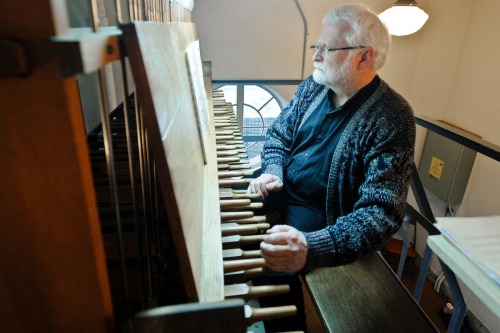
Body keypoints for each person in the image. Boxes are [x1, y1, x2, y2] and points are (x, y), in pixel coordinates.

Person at [248, 4, 416, 274]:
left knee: (268, 269)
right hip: (282, 189)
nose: (316, 57)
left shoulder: (393, 116)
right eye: (317, 46)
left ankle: (288, 314)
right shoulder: (314, 85)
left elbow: (381, 213)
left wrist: (311, 247)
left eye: (327, 49)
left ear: (364, 58)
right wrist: (272, 170)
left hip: (324, 219)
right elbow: (279, 134)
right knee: (227, 219)